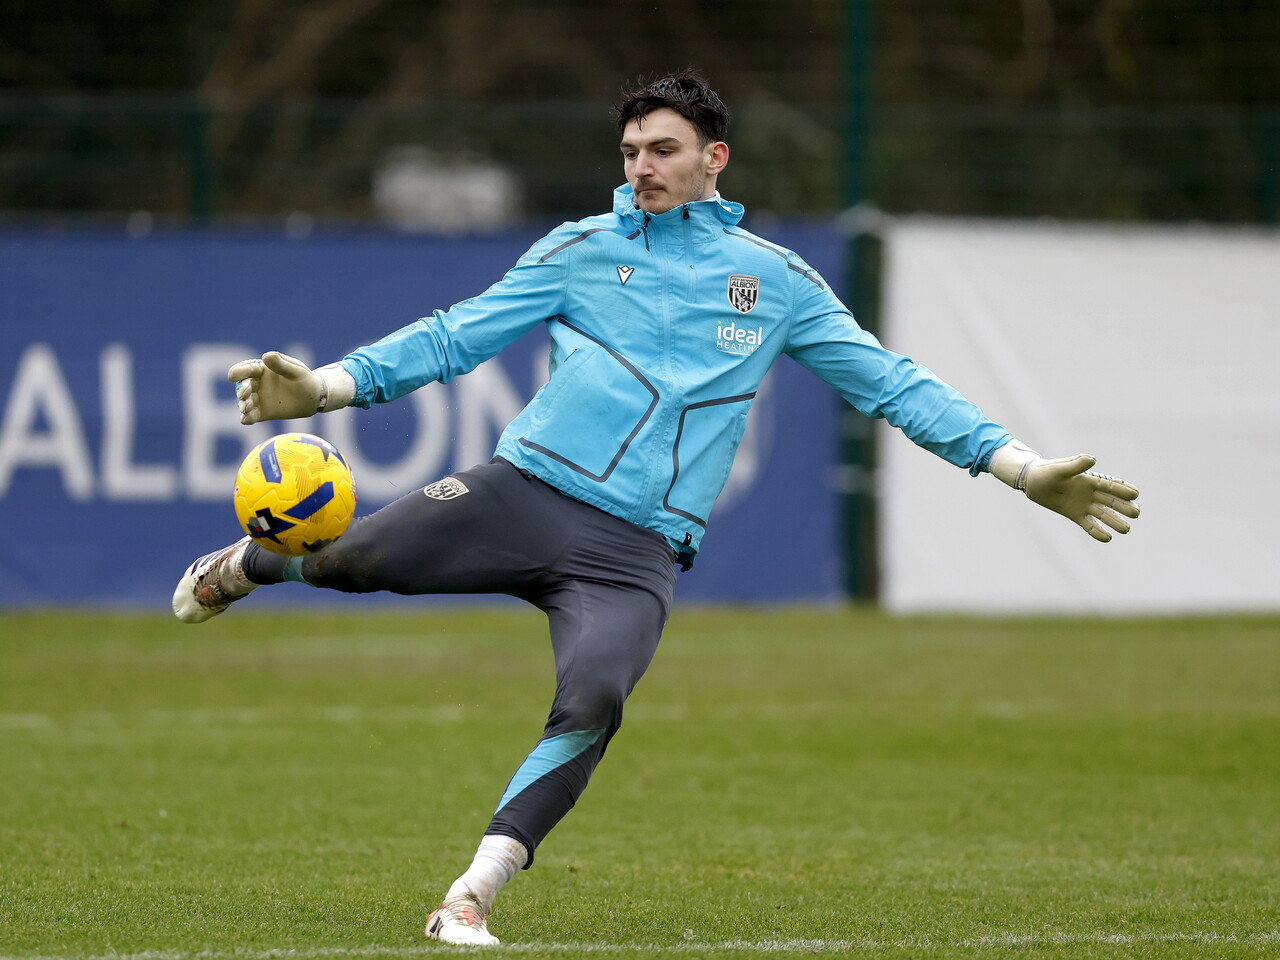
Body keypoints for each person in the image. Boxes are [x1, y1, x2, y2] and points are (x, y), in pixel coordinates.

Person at [172, 71, 1141, 945]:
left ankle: (468, 897)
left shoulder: (778, 283)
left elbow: (892, 385)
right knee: (349, 559)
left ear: (712, 159)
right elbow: (450, 339)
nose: (642, 166)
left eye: (662, 149)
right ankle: (246, 566)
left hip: (631, 554)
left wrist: (1019, 469)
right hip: (522, 494)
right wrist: (329, 389)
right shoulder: (579, 250)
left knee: (592, 701)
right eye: (631, 151)